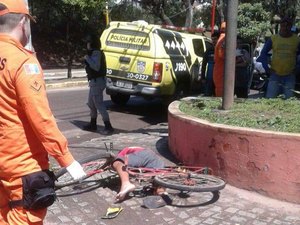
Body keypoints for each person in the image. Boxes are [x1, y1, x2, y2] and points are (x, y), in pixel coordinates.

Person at [0, 1, 86, 224]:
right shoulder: (23, 62)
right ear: (23, 22)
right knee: (24, 218)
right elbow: (41, 119)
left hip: (3, 163)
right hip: (23, 165)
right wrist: (67, 159)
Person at [257, 16, 300, 99]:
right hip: (275, 74)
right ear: (281, 26)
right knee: (270, 98)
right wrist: (267, 68)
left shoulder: (297, 40)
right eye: (283, 25)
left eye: (288, 26)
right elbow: (263, 54)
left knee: (289, 100)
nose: (285, 28)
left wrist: (297, 68)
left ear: (291, 26)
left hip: (290, 75)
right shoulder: (273, 38)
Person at [83, 34, 114, 135]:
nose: (87, 44)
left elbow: (96, 67)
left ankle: (108, 126)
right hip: (94, 82)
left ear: (91, 43)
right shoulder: (93, 53)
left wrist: (87, 58)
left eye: (88, 42)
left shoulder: (96, 53)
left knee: (99, 104)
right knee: (91, 104)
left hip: (97, 81)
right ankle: (93, 124)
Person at [200, 30, 220, 96]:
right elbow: (204, 64)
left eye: (215, 39)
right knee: (208, 96)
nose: (213, 41)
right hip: (210, 78)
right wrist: (203, 77)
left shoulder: (222, 50)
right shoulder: (209, 50)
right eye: (212, 39)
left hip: (219, 78)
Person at [213, 22, 226, 97]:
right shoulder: (223, 39)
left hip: (219, 68)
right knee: (221, 91)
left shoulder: (222, 38)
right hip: (221, 69)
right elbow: (221, 55)